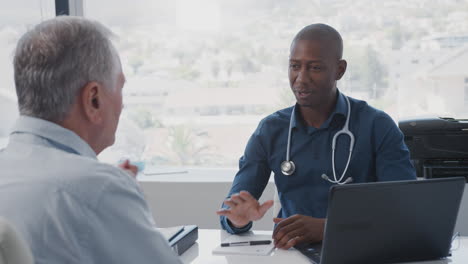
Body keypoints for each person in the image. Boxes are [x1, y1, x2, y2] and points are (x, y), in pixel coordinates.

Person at [217, 23, 416, 250]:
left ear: (339, 70)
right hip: (291, 254)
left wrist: (328, 228)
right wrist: (238, 219)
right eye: (294, 66)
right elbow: (230, 212)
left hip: (361, 250)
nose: (301, 78)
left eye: (315, 68)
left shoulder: (377, 126)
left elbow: (403, 213)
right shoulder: (271, 130)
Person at [0, 16, 182, 264]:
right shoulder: (98, 190)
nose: (122, 103)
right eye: (120, 88)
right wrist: (114, 193)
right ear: (93, 99)